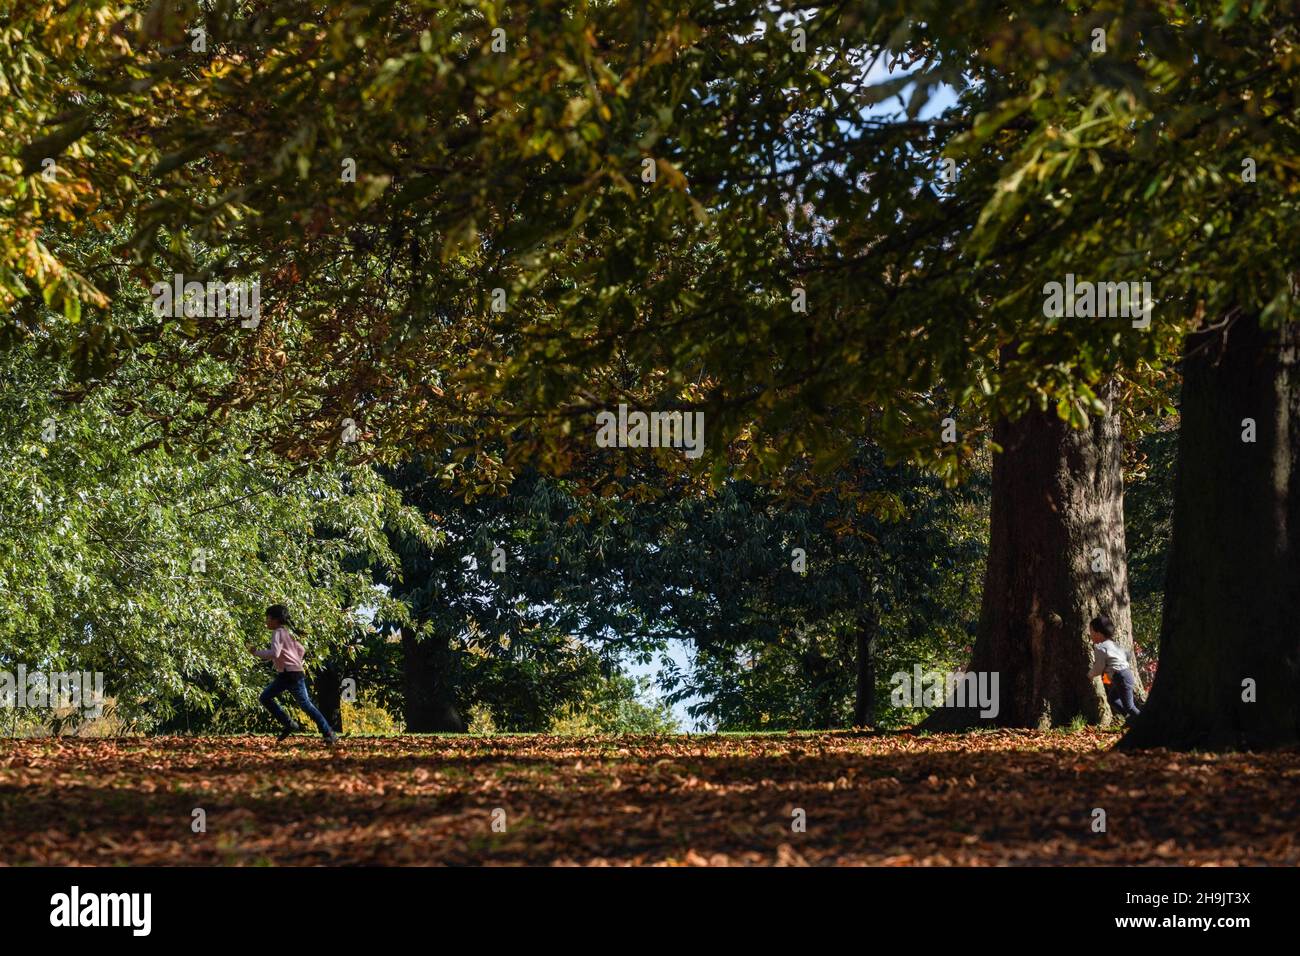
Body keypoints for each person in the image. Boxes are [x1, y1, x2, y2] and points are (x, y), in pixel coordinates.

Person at [248, 605, 337, 745]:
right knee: (266, 697)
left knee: (305, 705)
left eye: (268, 618)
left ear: (275, 620)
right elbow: (301, 650)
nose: (266, 621)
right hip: (289, 673)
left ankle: (328, 733)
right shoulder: (286, 632)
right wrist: (295, 662)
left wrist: (256, 652)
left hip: (291, 675)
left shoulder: (277, 633)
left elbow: (274, 653)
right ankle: (289, 724)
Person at [1088, 615, 1141, 720]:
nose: (1090, 635)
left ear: (1098, 633)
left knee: (1129, 706)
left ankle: (1145, 722)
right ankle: (1130, 719)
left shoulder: (1100, 648)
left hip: (1121, 677)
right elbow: (1128, 655)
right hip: (1124, 675)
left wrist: (1090, 674)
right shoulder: (1113, 644)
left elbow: (1098, 667)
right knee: (1112, 699)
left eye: (1091, 632)